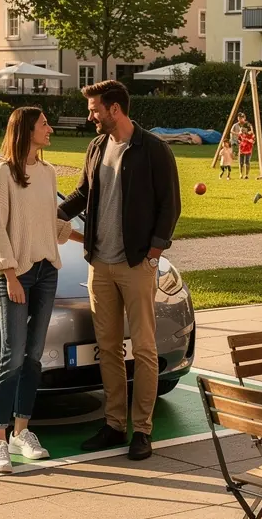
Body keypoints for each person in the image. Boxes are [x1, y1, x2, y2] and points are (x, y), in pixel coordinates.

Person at [58, 80, 181, 461]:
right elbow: (82, 194)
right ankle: (114, 425)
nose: (91, 115)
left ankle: (141, 430)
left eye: (95, 109)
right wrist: (51, 213)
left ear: (115, 109)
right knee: (108, 349)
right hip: (99, 265)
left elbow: (170, 206)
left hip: (136, 265)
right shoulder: (97, 147)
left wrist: (154, 253)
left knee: (143, 349)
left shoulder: (153, 149)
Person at [0, 107, 80, 473]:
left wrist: (89, 241)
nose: (50, 129)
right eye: (44, 124)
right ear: (27, 130)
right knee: (13, 353)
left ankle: (24, 429)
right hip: (15, 274)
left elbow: (50, 224)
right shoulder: (2, 175)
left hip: (45, 274)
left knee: (34, 356)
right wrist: (8, 275)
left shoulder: (48, 172)